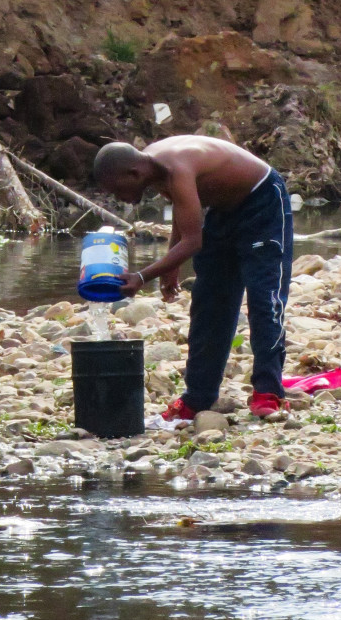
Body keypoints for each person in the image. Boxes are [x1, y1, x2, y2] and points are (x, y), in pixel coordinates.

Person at [93, 135, 293, 418]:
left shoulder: (176, 168)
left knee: (264, 299)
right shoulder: (154, 170)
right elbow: (182, 212)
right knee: (209, 301)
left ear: (133, 173)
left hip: (262, 203)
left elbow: (193, 241)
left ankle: (268, 392)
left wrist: (142, 275)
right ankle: (198, 397)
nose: (118, 198)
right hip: (222, 210)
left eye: (117, 190)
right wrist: (171, 264)